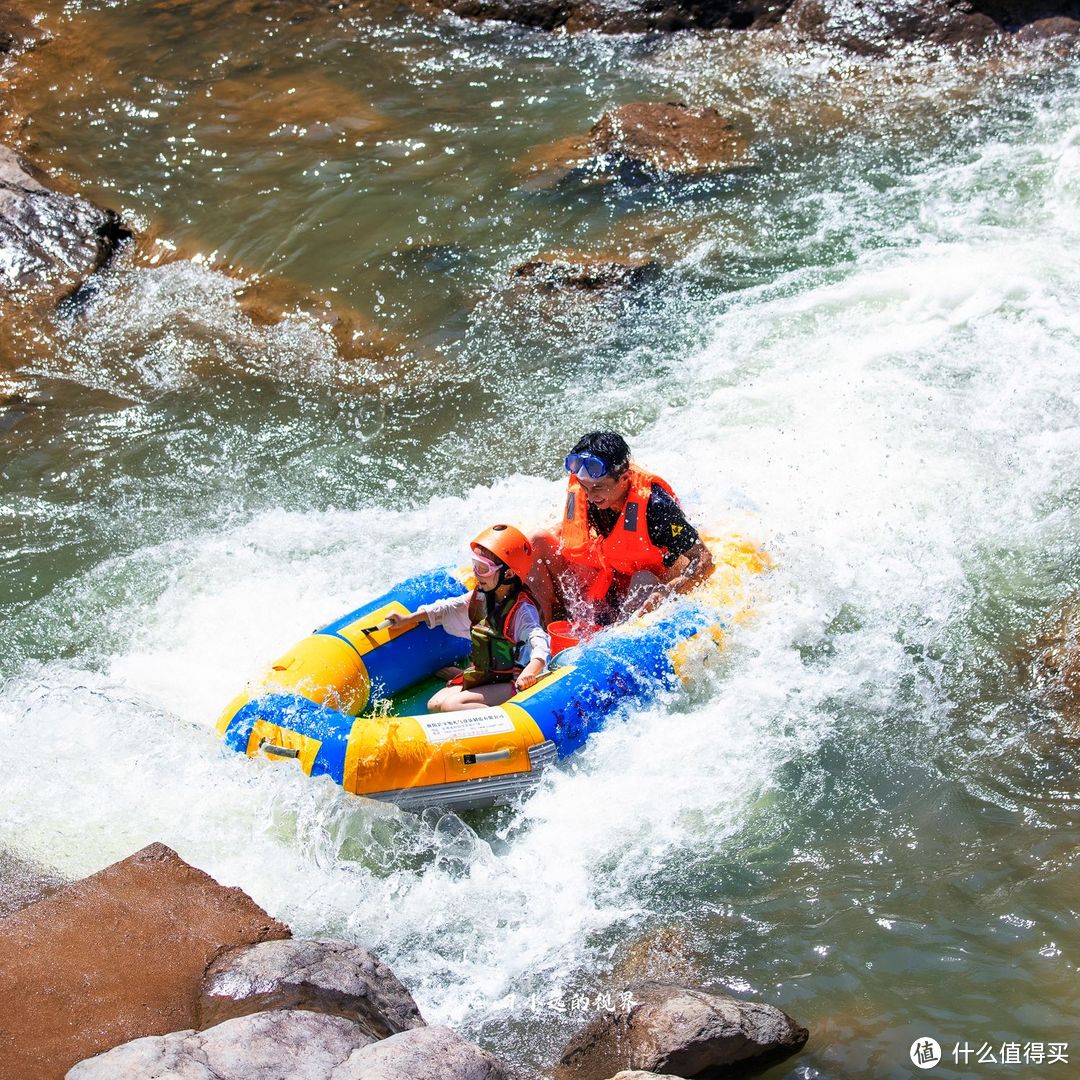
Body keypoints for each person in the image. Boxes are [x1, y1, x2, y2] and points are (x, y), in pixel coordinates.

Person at [528, 432, 714, 625]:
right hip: (608, 578)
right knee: (537, 540)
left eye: (598, 487)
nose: (591, 496)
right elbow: (569, 532)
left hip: (646, 587)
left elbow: (705, 560)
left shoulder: (656, 506)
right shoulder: (589, 492)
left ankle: (614, 639)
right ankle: (538, 635)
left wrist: (667, 591)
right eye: (585, 487)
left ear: (624, 478)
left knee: (642, 581)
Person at [386, 524, 550, 713]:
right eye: (475, 565)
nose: (476, 573)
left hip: (515, 679)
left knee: (452, 705)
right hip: (489, 675)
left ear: (509, 573)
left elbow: (539, 641)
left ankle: (506, 720)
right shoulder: (481, 596)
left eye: (483, 568)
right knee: (435, 704)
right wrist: (408, 618)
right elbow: (448, 608)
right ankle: (470, 679)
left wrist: (530, 673)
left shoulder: (522, 610)